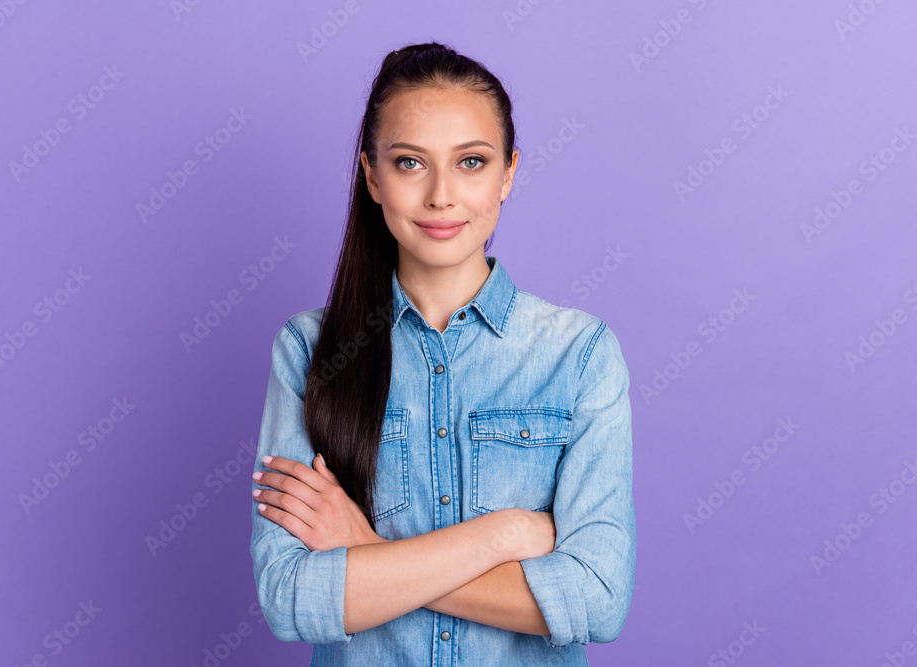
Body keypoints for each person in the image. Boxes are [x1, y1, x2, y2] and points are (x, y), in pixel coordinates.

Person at [249, 41, 635, 666]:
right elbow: (291, 598)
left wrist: (369, 553)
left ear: (508, 173)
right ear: (372, 176)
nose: (440, 196)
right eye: (409, 163)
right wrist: (503, 535)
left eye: (471, 162)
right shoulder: (309, 351)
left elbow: (597, 601)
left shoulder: (579, 355)